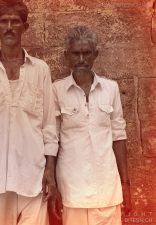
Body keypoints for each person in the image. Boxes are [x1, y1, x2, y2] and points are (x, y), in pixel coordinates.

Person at [0, 0, 59, 224]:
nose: (9, 27)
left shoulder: (40, 70)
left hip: (34, 174)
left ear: (25, 27)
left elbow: (49, 124)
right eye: (4, 22)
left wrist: (50, 170)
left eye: (15, 22)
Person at [52, 26, 132, 225]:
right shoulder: (57, 90)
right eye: (75, 53)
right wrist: (52, 185)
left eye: (86, 53)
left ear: (95, 55)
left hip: (107, 187)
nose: (81, 59)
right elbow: (51, 139)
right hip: (72, 189)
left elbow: (118, 136)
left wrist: (125, 184)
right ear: (66, 56)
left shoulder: (111, 89)